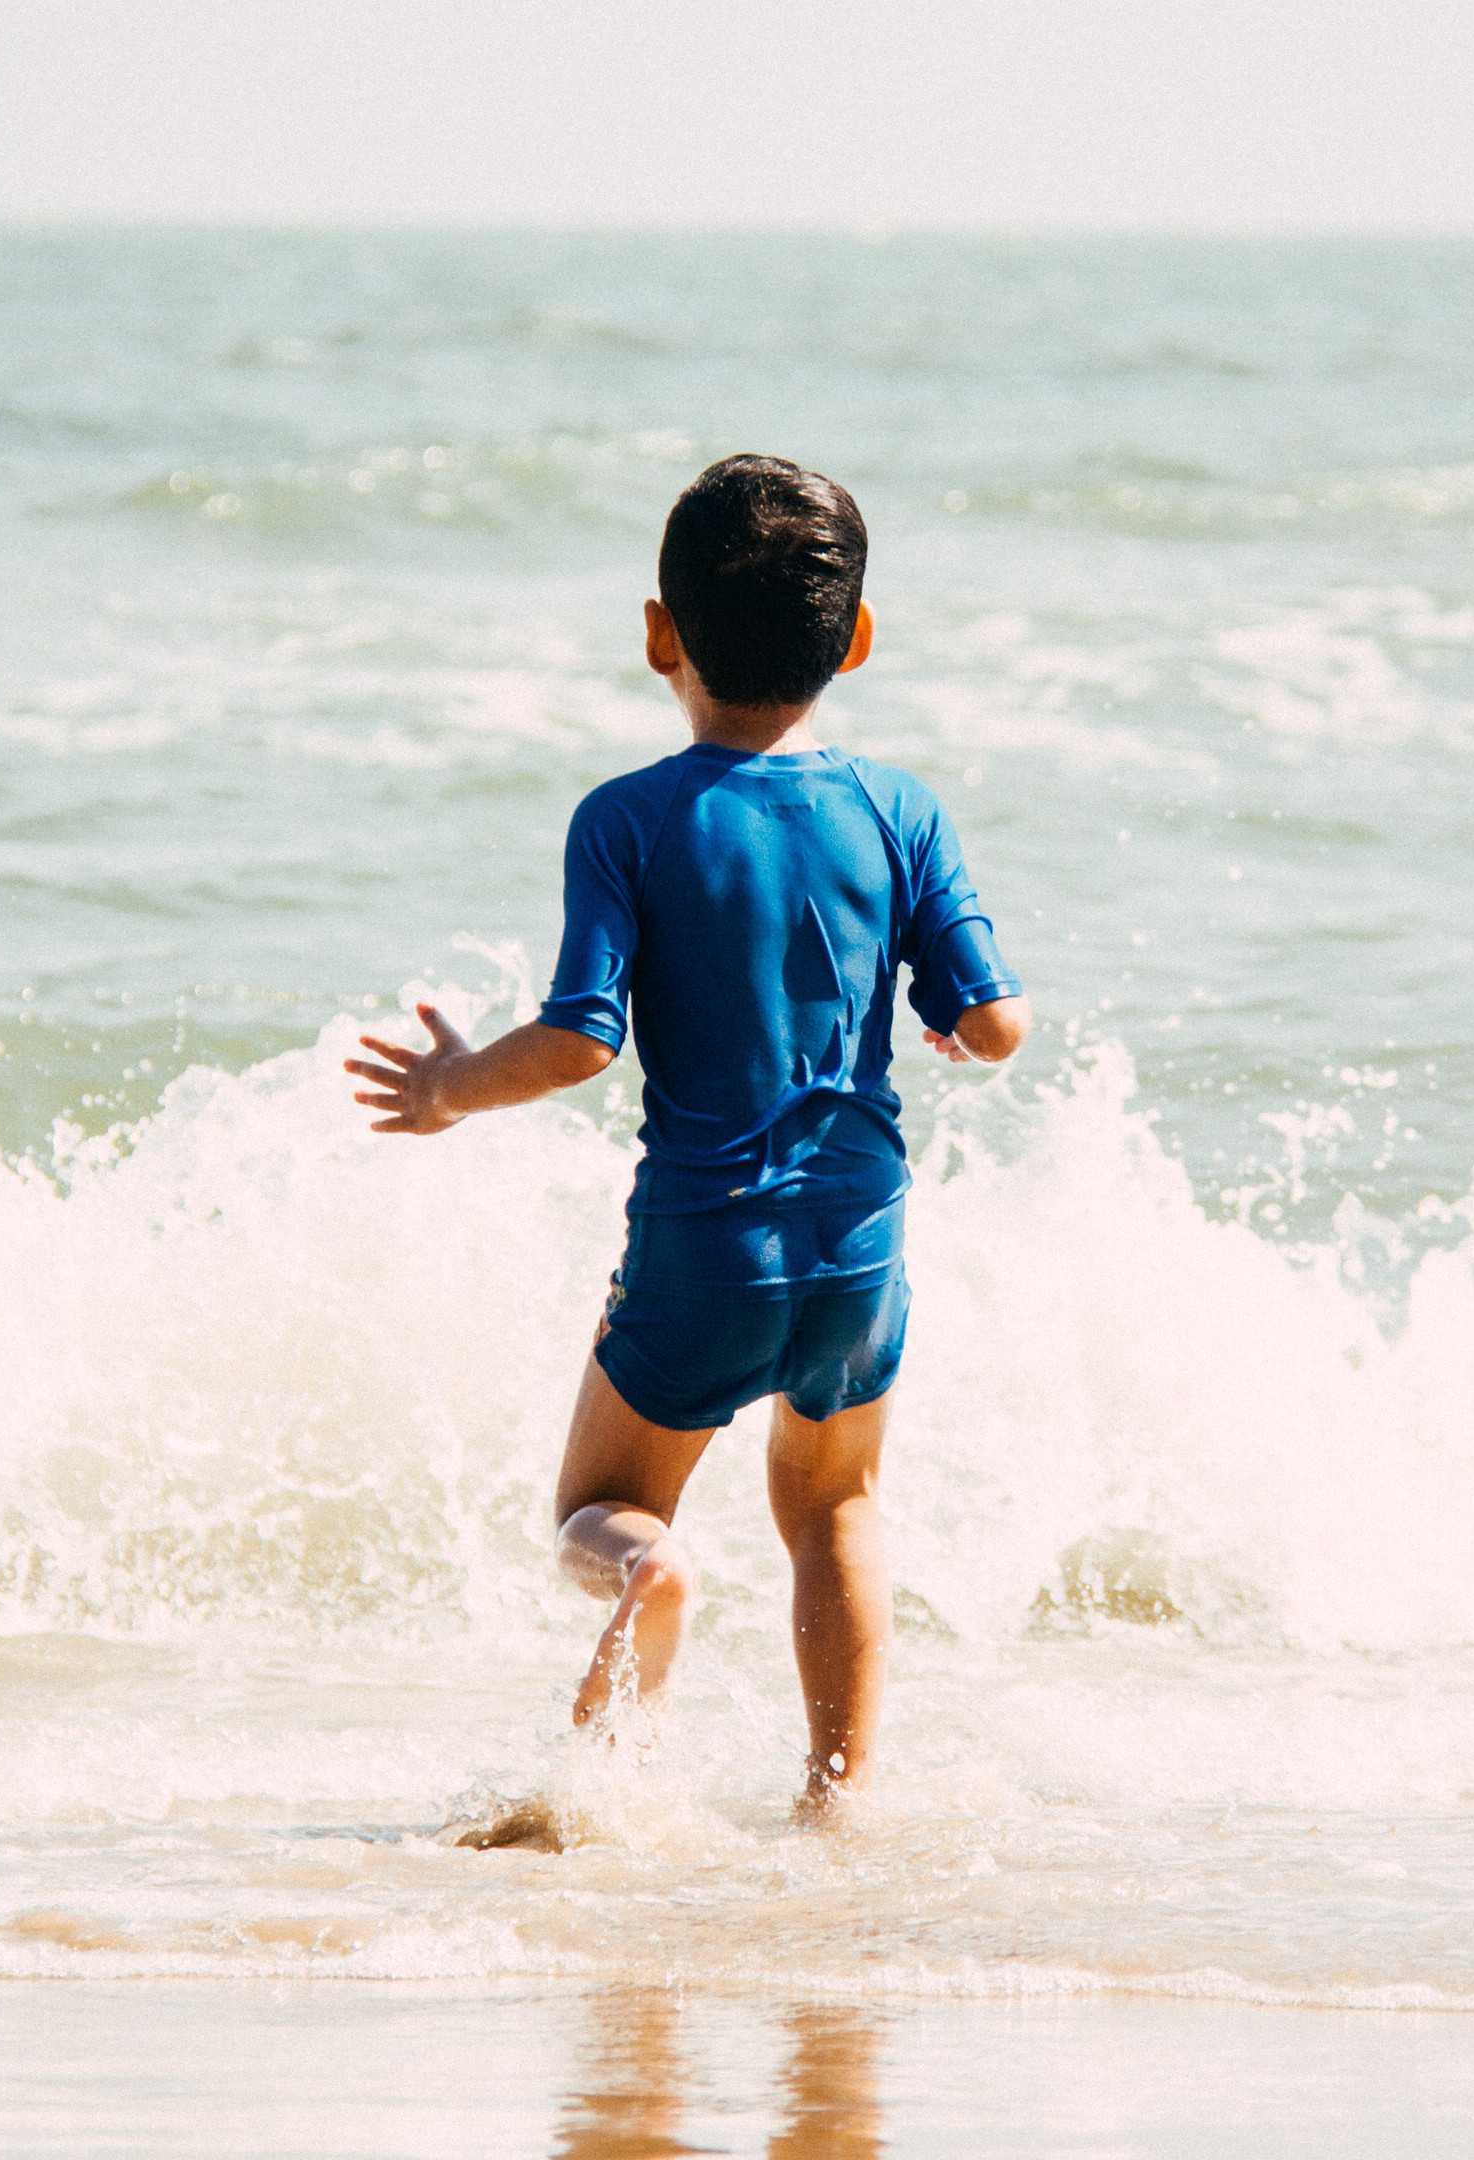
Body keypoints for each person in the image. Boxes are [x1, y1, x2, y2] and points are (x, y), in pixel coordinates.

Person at [346, 454, 1028, 1826]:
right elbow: (997, 1022)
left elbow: (585, 1038)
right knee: (834, 1510)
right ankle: (839, 1804)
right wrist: (952, 1028)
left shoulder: (630, 819)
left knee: (599, 1512)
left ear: (660, 633)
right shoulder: (903, 812)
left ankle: (647, 1595)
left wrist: (453, 1085)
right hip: (856, 1243)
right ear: (860, 638)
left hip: (703, 1250)